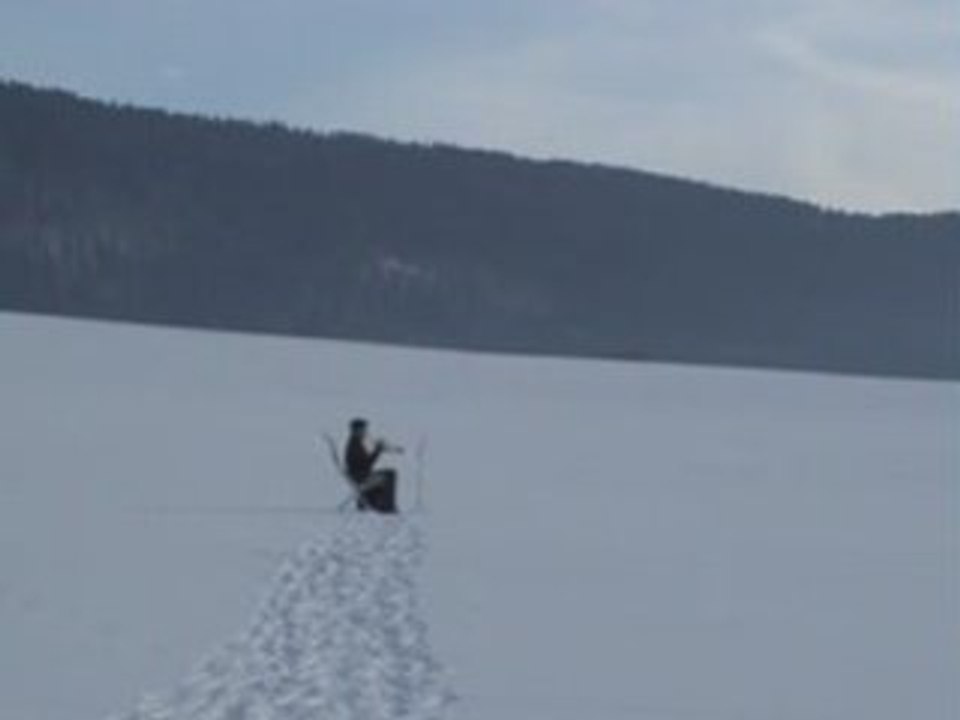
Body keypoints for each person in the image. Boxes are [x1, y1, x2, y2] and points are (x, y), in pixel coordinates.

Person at [344, 418, 400, 513]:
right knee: (389, 475)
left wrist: (378, 450)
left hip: (361, 475)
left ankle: (377, 503)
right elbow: (366, 464)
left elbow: (365, 463)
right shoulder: (354, 445)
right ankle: (387, 506)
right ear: (356, 431)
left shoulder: (356, 443)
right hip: (361, 477)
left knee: (388, 472)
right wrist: (378, 450)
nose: (365, 432)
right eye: (363, 430)